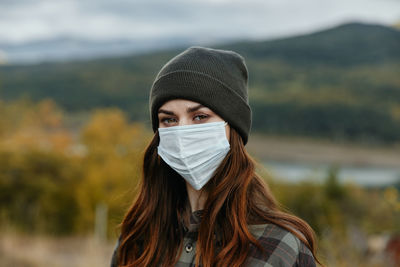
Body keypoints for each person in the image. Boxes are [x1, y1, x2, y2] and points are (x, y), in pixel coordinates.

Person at [111, 46, 321, 267]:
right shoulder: (139, 238)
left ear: (233, 128)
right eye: (169, 120)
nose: (183, 131)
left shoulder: (278, 247)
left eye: (200, 117)